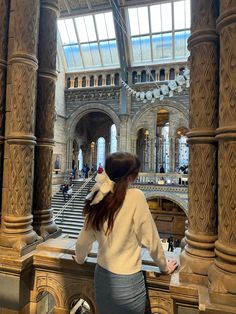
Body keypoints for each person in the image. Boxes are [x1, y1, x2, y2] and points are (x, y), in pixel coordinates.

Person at [73, 152, 178, 314]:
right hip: (128, 283)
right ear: (131, 176)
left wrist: (80, 259)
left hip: (102, 278)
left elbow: (82, 242)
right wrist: (164, 267)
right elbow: (152, 239)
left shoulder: (99, 197)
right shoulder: (136, 197)